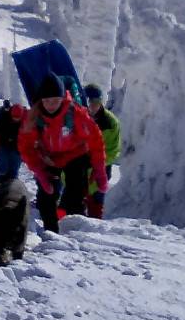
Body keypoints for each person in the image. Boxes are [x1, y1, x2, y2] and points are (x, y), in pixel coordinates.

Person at [19, 76, 107, 234]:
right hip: (50, 158)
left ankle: (76, 232)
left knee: (76, 194)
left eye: (55, 100)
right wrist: (39, 171)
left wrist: (99, 169)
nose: (50, 105)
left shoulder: (76, 114)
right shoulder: (34, 117)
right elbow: (25, 147)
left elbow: (95, 139)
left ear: (62, 98)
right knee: (46, 198)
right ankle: (51, 233)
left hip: (76, 155)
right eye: (46, 101)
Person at [81, 83, 121, 219]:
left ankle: (94, 226)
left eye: (96, 102)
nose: (93, 105)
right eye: (90, 101)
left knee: (96, 203)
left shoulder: (110, 122)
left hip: (101, 169)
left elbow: (113, 150)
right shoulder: (76, 118)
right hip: (79, 168)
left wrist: (96, 163)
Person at [0, 98, 25, 182]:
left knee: (13, 172)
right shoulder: (3, 119)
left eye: (18, 118)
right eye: (14, 117)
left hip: (17, 149)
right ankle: (1, 185)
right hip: (4, 147)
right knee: (2, 171)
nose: (15, 119)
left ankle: (12, 188)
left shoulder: (25, 121)